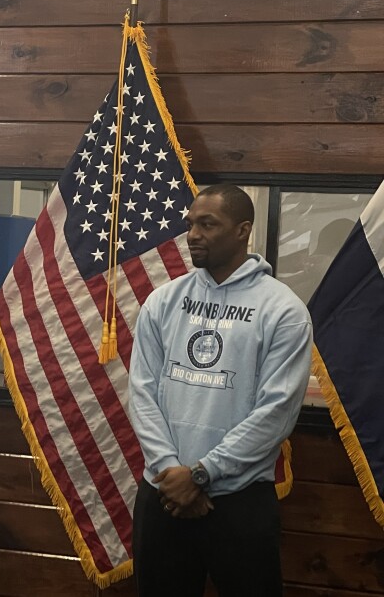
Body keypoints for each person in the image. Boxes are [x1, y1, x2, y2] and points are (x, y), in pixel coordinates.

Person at [129, 184, 312, 597]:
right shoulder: (162, 302)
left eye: (208, 224)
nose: (193, 234)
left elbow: (276, 412)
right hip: (165, 493)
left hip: (239, 500)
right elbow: (142, 393)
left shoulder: (283, 311)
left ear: (243, 230)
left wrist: (202, 473)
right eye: (191, 224)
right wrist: (172, 474)